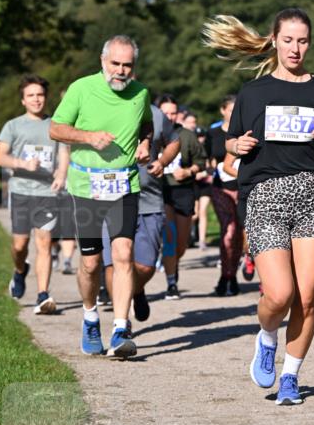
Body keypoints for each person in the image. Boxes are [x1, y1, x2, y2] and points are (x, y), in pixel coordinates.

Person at [202, 7, 314, 405]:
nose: (295, 48)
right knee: (279, 294)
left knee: (307, 297)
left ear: (310, 43)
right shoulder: (253, 94)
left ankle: (291, 376)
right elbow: (228, 151)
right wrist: (236, 147)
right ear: (274, 40)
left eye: (302, 40)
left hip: (311, 194)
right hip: (265, 195)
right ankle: (267, 336)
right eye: (288, 40)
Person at [50, 35, 152, 359]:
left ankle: (121, 328)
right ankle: (90, 315)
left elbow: (146, 125)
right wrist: (88, 136)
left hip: (124, 184)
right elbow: (55, 128)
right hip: (87, 187)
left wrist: (146, 143)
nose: (121, 71)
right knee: (92, 263)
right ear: (102, 61)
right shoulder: (81, 88)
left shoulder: (140, 93)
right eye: (115, 64)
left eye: (127, 65)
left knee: (123, 253)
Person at [0, 75, 69, 313]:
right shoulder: (13, 126)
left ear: (45, 98)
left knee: (44, 243)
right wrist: (22, 164)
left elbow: (64, 152)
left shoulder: (56, 124)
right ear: (23, 100)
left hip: (46, 193)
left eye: (40, 95)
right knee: (19, 246)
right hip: (21, 192)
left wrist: (61, 175)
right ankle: (19, 271)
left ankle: (43, 295)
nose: (36, 99)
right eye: (31, 96)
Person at [102, 102, 180, 321]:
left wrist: (163, 161)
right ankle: (121, 323)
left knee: (145, 267)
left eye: (128, 66)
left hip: (148, 200)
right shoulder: (100, 109)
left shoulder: (154, 114)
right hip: (112, 197)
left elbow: (174, 141)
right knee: (112, 265)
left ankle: (136, 290)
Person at [161, 103, 206, 300]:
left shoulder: (187, 135)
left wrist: (188, 171)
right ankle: (171, 283)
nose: (170, 117)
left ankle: (173, 264)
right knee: (169, 239)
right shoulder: (150, 135)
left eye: (173, 113)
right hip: (161, 191)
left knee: (181, 244)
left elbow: (201, 161)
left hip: (184, 191)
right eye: (165, 113)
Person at [205, 96, 243, 296]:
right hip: (221, 187)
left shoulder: (245, 131)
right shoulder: (213, 133)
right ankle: (224, 275)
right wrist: (212, 172)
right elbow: (209, 160)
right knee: (228, 232)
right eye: (231, 110)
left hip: (242, 187)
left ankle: (233, 275)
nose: (234, 113)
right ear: (222, 111)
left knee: (238, 234)